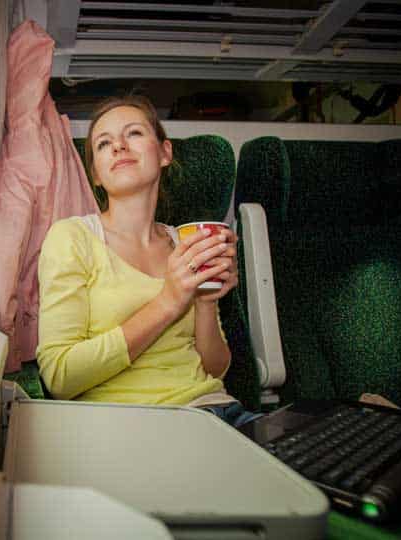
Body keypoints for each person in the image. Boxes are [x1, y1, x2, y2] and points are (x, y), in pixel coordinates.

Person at [35, 94, 260, 427]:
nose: (119, 146)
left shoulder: (185, 243)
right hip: (138, 422)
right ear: (95, 174)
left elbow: (214, 369)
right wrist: (169, 301)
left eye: (134, 134)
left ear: (165, 153)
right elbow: (60, 376)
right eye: (103, 143)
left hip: (219, 409)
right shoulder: (72, 237)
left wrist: (207, 302)